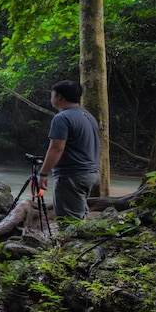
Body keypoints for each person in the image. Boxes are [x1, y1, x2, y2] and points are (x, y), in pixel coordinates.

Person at [37, 80, 100, 221]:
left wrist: (43, 173)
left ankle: (72, 243)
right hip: (90, 173)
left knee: (69, 221)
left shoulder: (62, 118)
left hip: (72, 176)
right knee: (79, 215)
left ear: (59, 96)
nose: (51, 98)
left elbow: (56, 148)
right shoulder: (88, 116)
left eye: (52, 94)